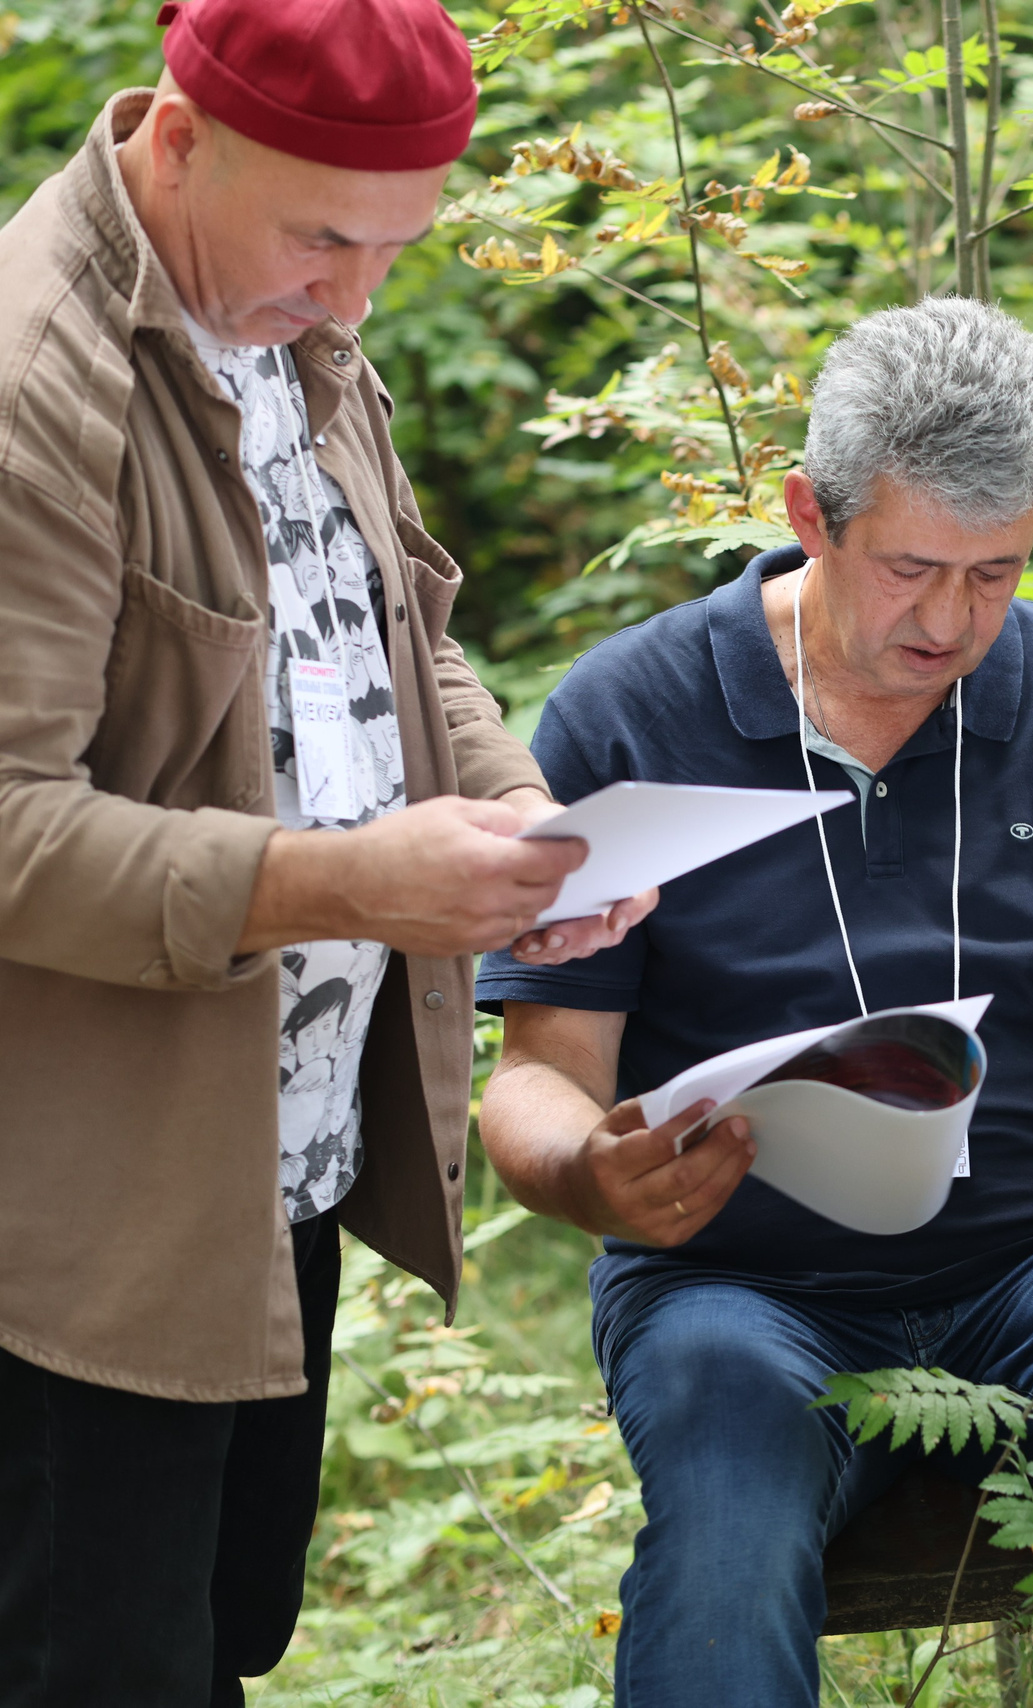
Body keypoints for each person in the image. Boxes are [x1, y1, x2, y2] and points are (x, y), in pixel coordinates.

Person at [474, 297, 1033, 1708]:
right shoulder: (631, 710)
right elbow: (540, 1077)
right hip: (737, 1287)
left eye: (996, 574)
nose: (950, 622)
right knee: (725, 1505)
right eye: (911, 568)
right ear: (811, 512)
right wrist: (587, 1175)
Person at [0, 3, 649, 1703]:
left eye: (394, 248)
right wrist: (347, 884)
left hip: (268, 1151)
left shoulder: (285, 323)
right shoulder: (35, 381)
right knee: (95, 1664)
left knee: (224, 1632)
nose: (357, 297)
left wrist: (523, 824)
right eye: (325, 240)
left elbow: (393, 632)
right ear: (179, 139)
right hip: (81, 1204)